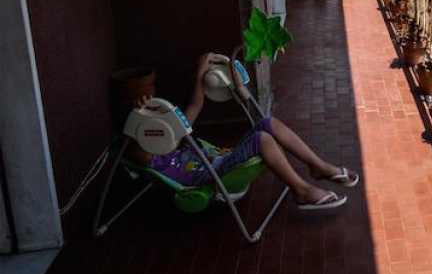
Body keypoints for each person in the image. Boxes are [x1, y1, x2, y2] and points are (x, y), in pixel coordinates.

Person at [130, 53, 357, 210]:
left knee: (268, 123)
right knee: (261, 139)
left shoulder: (175, 137)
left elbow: (194, 106)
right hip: (213, 177)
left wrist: (201, 71)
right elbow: (138, 149)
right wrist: (138, 123)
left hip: (222, 160)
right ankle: (301, 190)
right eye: (144, 138)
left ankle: (317, 166)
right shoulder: (152, 159)